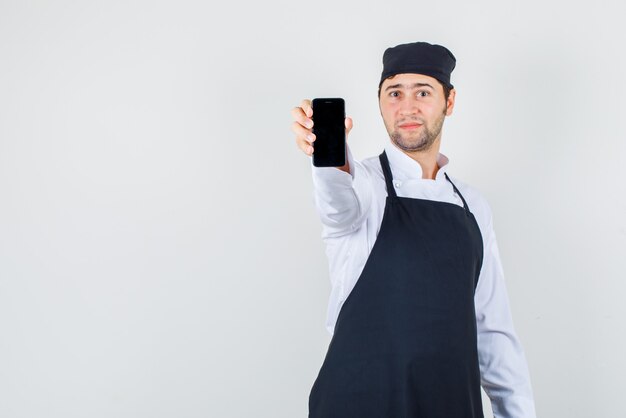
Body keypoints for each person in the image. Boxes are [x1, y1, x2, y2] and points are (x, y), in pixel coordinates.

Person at [291, 41, 537, 417]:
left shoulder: (472, 206)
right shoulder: (363, 184)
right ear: (379, 102)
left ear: (449, 102)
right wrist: (329, 160)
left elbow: (493, 333)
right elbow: (337, 207)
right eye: (394, 93)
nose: (406, 107)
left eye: (422, 92)